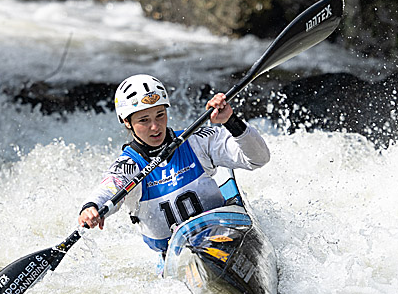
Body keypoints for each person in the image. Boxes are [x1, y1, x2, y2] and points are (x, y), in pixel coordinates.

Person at [78, 74, 270, 255]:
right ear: (127, 122)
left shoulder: (196, 140)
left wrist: (231, 121)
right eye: (144, 120)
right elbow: (108, 189)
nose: (155, 127)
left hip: (224, 241)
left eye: (160, 115)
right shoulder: (128, 166)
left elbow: (258, 158)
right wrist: (91, 207)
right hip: (174, 259)